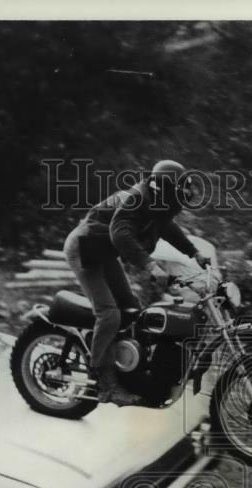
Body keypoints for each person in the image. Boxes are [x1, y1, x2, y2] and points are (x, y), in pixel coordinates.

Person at [62, 159, 211, 405]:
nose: (182, 196)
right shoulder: (136, 199)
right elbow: (120, 234)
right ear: (165, 186)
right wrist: (151, 265)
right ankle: (105, 383)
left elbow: (169, 229)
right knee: (109, 314)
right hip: (85, 248)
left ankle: (125, 365)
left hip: (103, 252)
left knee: (131, 309)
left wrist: (194, 252)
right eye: (179, 189)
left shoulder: (158, 205)